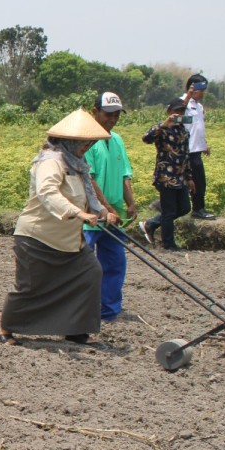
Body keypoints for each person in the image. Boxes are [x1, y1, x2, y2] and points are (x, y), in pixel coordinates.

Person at [0, 109, 111, 346]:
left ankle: (77, 329)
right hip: (38, 237)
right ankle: (5, 329)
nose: (87, 147)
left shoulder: (78, 164)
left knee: (90, 273)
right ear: (69, 141)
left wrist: (102, 211)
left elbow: (87, 193)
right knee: (30, 287)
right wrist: (78, 213)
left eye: (90, 143)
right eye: (84, 143)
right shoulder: (50, 161)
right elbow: (48, 193)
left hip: (70, 241)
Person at [83, 92, 137, 322]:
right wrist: (104, 208)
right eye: (108, 114)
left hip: (115, 213)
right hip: (91, 215)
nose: (112, 119)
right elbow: (89, 178)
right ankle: (78, 308)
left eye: (116, 115)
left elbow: (125, 173)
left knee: (115, 263)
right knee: (83, 263)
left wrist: (130, 203)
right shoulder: (86, 141)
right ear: (95, 112)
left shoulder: (117, 139)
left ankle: (109, 309)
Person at [140, 98, 196, 251]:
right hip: (165, 177)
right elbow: (146, 138)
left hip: (180, 177)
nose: (178, 114)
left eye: (182, 112)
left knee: (184, 208)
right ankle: (168, 244)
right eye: (175, 111)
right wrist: (163, 125)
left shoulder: (183, 130)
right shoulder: (162, 128)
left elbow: (186, 155)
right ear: (169, 111)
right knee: (170, 211)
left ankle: (151, 224)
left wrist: (189, 177)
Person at [182, 73, 216, 219]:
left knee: (199, 182)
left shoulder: (199, 107)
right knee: (193, 182)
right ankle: (197, 210)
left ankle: (198, 208)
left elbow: (198, 128)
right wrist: (188, 96)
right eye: (201, 90)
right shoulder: (183, 103)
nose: (203, 93)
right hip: (186, 151)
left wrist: (204, 146)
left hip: (196, 150)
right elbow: (174, 114)